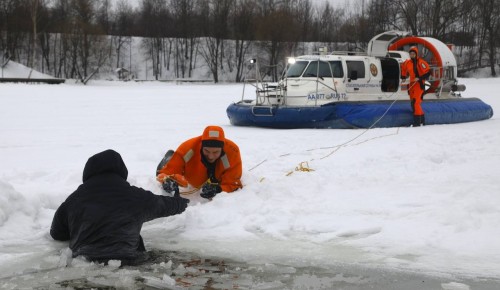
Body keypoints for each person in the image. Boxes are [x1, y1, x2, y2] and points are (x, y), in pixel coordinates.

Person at [50, 149, 189, 265]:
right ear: (121, 170)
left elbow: (57, 233)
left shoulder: (74, 199)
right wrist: (181, 202)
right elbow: (164, 205)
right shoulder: (135, 196)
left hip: (83, 263)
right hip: (128, 262)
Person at [156, 125, 242, 199]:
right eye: (207, 151)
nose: (211, 156)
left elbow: (233, 183)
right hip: (189, 175)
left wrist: (218, 189)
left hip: (216, 178)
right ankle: (169, 158)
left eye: (216, 152)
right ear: (201, 146)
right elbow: (166, 173)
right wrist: (166, 181)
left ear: (222, 149)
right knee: (164, 169)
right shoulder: (187, 148)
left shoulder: (233, 151)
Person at [401, 46, 431, 126]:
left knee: (416, 103)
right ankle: (422, 121)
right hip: (411, 85)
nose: (412, 55)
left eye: (413, 54)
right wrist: (403, 77)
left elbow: (428, 72)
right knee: (412, 103)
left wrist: (419, 78)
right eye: (410, 54)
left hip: (419, 84)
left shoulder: (421, 62)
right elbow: (403, 68)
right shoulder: (407, 62)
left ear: (416, 54)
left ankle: (417, 122)